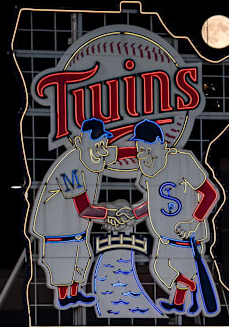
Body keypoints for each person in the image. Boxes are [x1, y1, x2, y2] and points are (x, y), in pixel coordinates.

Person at [29, 118, 133, 309]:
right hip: (57, 232)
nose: (102, 150)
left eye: (103, 144)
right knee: (63, 267)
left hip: (77, 231)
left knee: (82, 260)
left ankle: (75, 295)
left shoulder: (94, 153)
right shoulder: (70, 166)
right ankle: (63, 298)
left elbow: (117, 153)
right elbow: (83, 208)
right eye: (98, 145)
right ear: (79, 143)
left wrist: (144, 151)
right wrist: (110, 212)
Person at [127, 119, 219, 315]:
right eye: (140, 148)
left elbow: (210, 194)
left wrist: (193, 222)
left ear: (159, 142)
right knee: (162, 270)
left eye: (146, 147)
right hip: (164, 236)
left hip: (186, 236)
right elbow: (154, 202)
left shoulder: (182, 160)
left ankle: (186, 297)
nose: (143, 153)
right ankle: (184, 297)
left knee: (179, 270)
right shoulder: (149, 168)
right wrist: (134, 213)